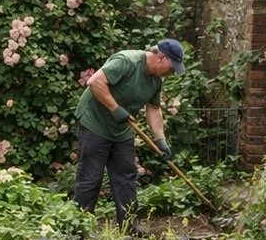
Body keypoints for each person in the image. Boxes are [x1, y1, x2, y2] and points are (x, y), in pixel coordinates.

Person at [71, 39, 183, 228]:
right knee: (90, 178)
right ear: (161, 57)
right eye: (171, 68)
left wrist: (160, 140)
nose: (171, 73)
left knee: (126, 176)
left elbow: (154, 109)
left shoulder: (155, 80)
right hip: (95, 122)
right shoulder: (127, 61)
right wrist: (115, 109)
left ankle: (129, 225)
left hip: (122, 129)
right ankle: (79, 229)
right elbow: (95, 82)